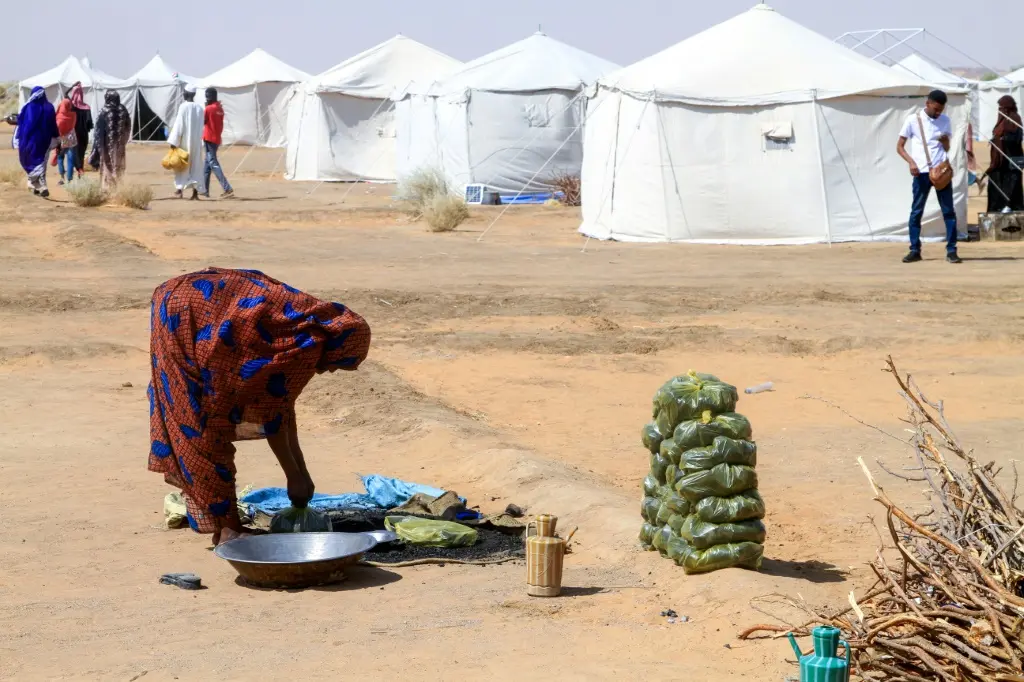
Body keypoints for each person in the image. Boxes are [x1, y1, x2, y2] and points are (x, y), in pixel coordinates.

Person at [148, 268, 371, 545]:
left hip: (177, 299)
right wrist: (296, 478)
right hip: (192, 308)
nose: (332, 371)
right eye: (340, 364)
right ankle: (228, 529)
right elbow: (274, 413)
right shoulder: (307, 345)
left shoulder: (306, 328)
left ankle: (220, 518)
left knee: (190, 406)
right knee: (201, 420)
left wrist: (301, 473)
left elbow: (281, 408)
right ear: (339, 347)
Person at [896, 90, 961, 264]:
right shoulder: (913, 120)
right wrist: (911, 162)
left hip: (941, 171)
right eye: (936, 109)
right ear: (928, 103)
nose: (939, 112)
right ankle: (915, 250)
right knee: (917, 211)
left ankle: (952, 250)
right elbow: (900, 146)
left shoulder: (945, 121)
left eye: (941, 109)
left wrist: (945, 142)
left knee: (948, 211)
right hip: (921, 173)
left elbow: (947, 148)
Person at [14, 87, 59, 198]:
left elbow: (22, 122)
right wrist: (56, 137)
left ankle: (38, 185)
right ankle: (38, 185)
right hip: (45, 141)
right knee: (42, 163)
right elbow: (53, 124)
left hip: (30, 141)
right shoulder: (49, 107)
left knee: (31, 161)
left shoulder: (28, 107)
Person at [986, 95, 1024, 213]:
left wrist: (1003, 139)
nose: (1000, 110)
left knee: (1012, 187)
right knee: (995, 182)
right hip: (1000, 161)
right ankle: (997, 209)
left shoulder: (1014, 119)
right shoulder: (1002, 120)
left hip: (1012, 160)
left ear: (1007, 108)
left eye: (1002, 108)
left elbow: (1016, 138)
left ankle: (1010, 207)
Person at [167, 84, 206, 199]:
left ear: (188, 93)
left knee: (182, 166)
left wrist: (174, 141)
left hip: (185, 142)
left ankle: (179, 190)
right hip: (196, 142)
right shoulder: (199, 108)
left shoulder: (183, 107)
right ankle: (195, 192)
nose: (183, 94)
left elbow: (179, 124)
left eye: (184, 92)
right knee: (196, 166)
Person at [90, 91, 131, 191]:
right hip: (119, 144)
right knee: (118, 164)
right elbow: (128, 127)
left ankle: (108, 188)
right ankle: (118, 187)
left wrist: (96, 146)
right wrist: (123, 140)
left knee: (107, 164)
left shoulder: (104, 110)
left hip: (106, 144)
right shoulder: (123, 110)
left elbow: (98, 130)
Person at [202, 88, 234, 198]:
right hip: (216, 139)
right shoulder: (220, 108)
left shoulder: (209, 109)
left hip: (209, 138)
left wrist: (206, 107)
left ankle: (227, 187)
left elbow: (203, 121)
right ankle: (204, 189)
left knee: (213, 163)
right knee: (207, 165)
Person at [69, 82, 92, 180]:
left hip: (73, 133)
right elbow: (89, 124)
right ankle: (80, 173)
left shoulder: (70, 107)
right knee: (81, 153)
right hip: (84, 134)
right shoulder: (87, 108)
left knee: (73, 153)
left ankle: (77, 171)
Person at [54, 92, 78, 185]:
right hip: (71, 139)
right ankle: (69, 179)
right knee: (70, 158)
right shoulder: (73, 115)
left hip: (61, 139)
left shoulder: (59, 117)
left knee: (60, 157)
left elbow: (57, 129)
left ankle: (62, 178)